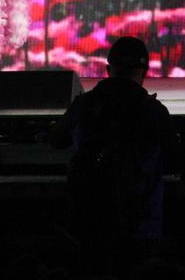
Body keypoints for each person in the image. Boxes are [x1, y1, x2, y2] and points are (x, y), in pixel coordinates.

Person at [50, 37, 177, 267]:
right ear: (144, 73)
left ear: (108, 70)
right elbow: (174, 158)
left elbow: (56, 140)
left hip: (88, 226)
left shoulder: (84, 105)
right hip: (141, 230)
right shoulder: (155, 112)